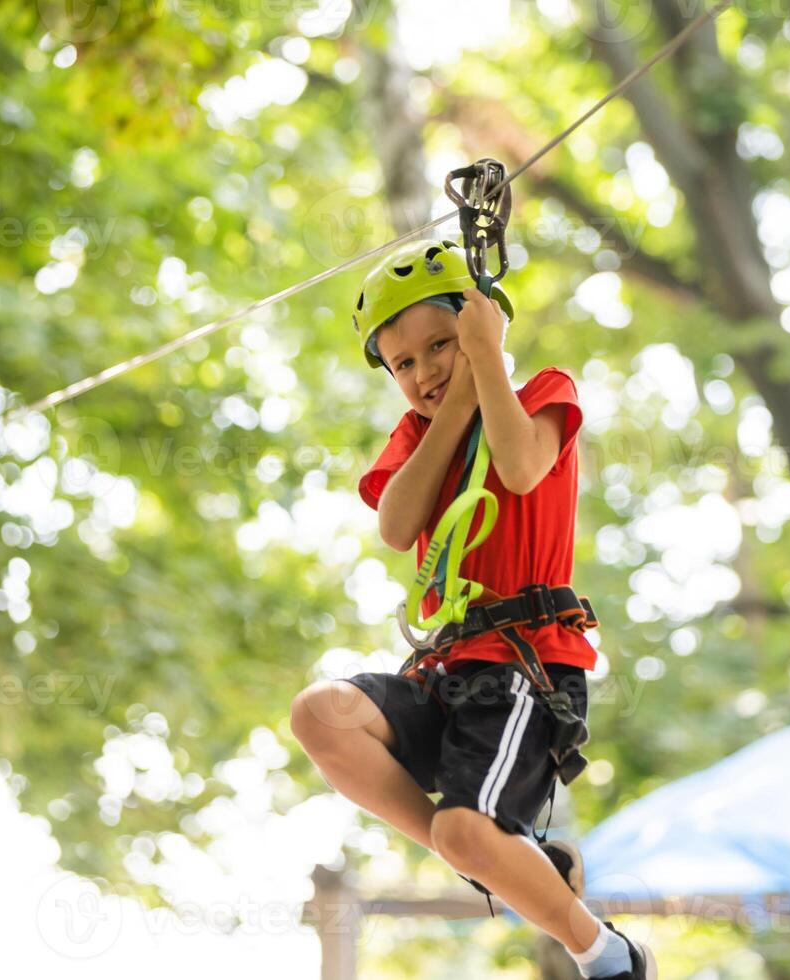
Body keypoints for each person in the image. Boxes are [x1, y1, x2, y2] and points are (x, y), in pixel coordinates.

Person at [290, 239, 655, 979]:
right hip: (449, 669)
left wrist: (485, 362)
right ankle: (510, 860)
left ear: (483, 330)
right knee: (318, 713)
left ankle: (605, 955)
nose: (423, 372)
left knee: (464, 829)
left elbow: (520, 468)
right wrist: (456, 398)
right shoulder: (416, 437)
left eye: (441, 345)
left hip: (523, 671)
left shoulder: (544, 393)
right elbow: (397, 526)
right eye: (404, 363)